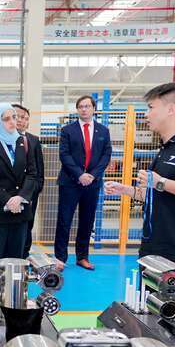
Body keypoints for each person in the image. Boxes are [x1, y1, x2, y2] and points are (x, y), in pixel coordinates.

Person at [105, 83, 175, 264]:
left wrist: (160, 182)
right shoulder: (166, 148)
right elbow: (156, 193)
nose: (146, 114)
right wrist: (126, 190)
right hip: (154, 247)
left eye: (151, 107)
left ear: (170, 109)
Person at [54, 95, 112, 271]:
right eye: (81, 106)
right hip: (70, 182)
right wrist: (80, 174)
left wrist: (92, 176)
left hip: (92, 184)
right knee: (64, 220)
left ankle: (82, 257)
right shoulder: (67, 130)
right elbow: (64, 154)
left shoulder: (103, 131)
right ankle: (60, 258)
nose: (84, 109)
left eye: (87, 106)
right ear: (77, 110)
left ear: (94, 108)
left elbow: (106, 155)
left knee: (87, 221)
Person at [0, 103, 38, 263]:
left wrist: (20, 197)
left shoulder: (24, 143)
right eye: (6, 119)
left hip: (20, 211)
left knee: (16, 261)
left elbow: (32, 174)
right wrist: (7, 200)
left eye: (14, 117)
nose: (12, 122)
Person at [13, 104, 44, 258]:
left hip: (29, 193)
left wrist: (34, 190)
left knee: (27, 224)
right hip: (7, 193)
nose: (21, 120)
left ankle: (24, 255)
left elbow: (39, 169)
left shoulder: (33, 140)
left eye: (25, 118)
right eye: (18, 117)